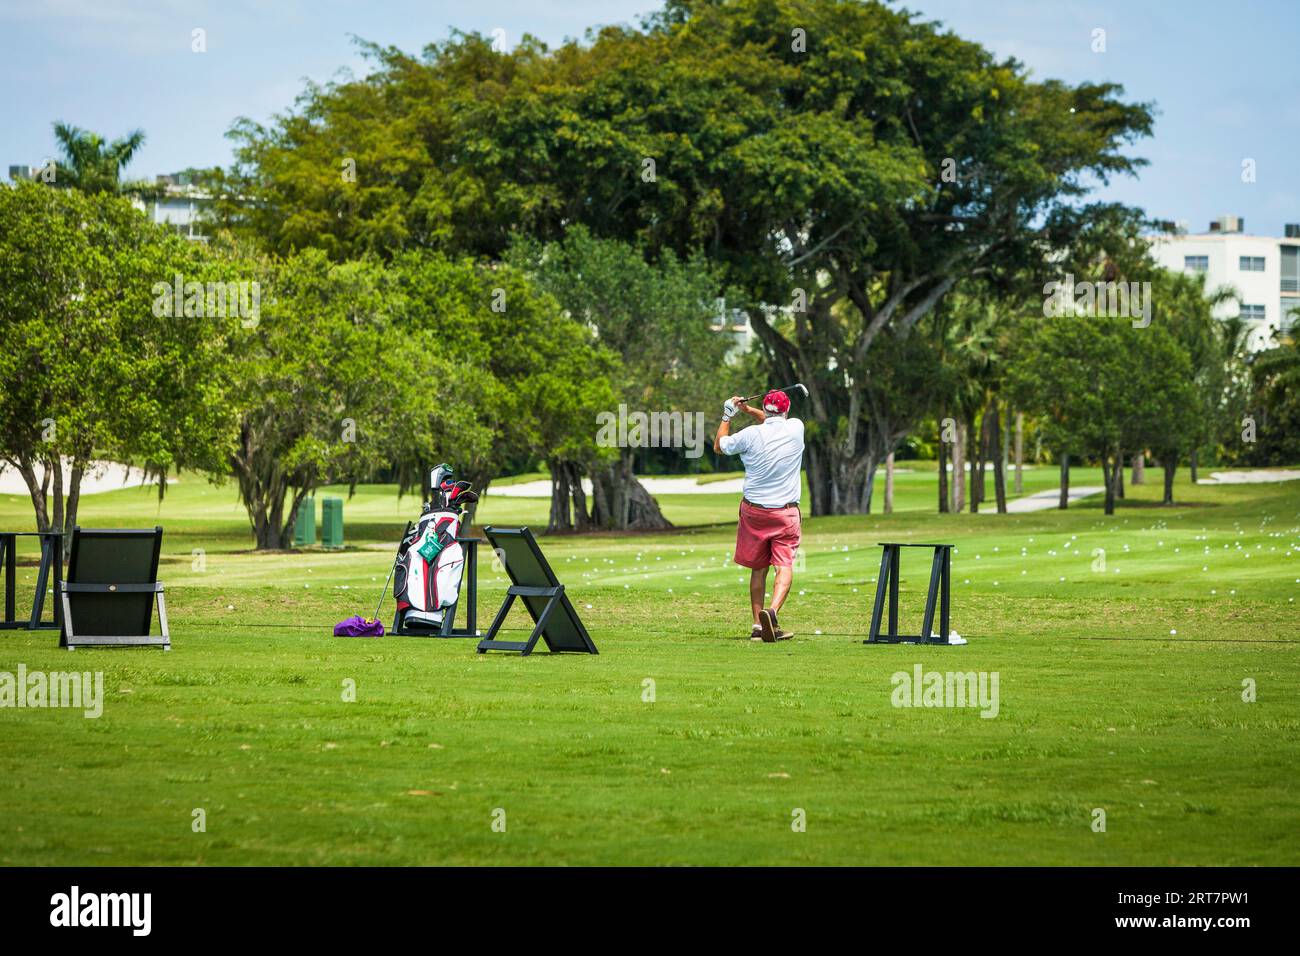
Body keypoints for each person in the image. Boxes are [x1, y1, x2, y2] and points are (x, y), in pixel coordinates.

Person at [713, 389, 805, 642]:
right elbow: (774, 422)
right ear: (786, 411)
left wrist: (728, 415)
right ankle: (772, 612)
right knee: (783, 565)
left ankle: (757, 626)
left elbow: (719, 447)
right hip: (785, 513)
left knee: (758, 568)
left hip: (754, 512)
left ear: (765, 409)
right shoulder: (796, 427)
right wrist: (751, 412)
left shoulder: (751, 435)